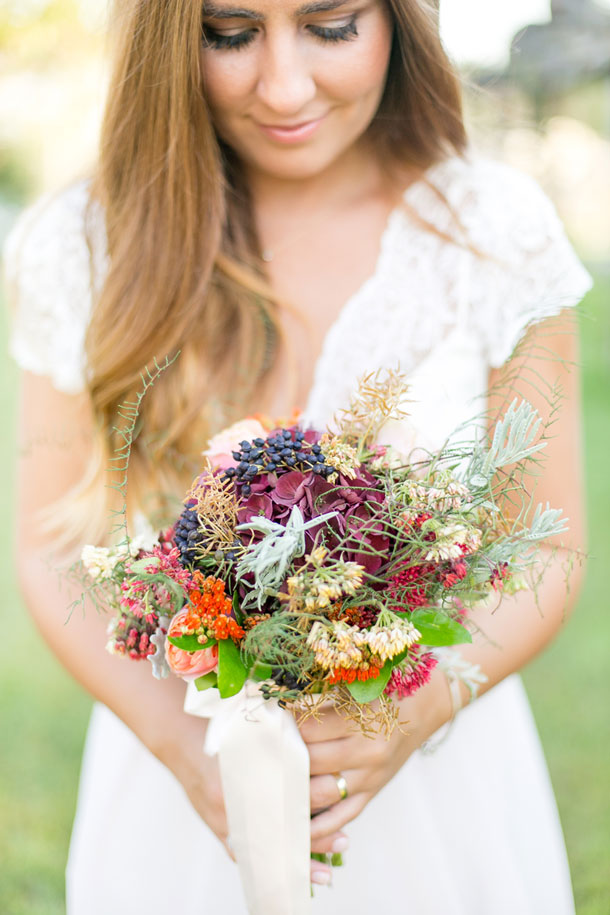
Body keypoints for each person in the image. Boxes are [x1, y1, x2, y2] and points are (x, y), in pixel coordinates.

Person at [5, 1, 592, 912]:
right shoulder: (84, 243)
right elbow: (50, 542)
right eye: (230, 34)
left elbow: (547, 546)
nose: (283, 86)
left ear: (401, 19)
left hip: (439, 798)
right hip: (177, 799)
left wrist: (409, 712)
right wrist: (193, 750)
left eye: (330, 25)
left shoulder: (492, 231)